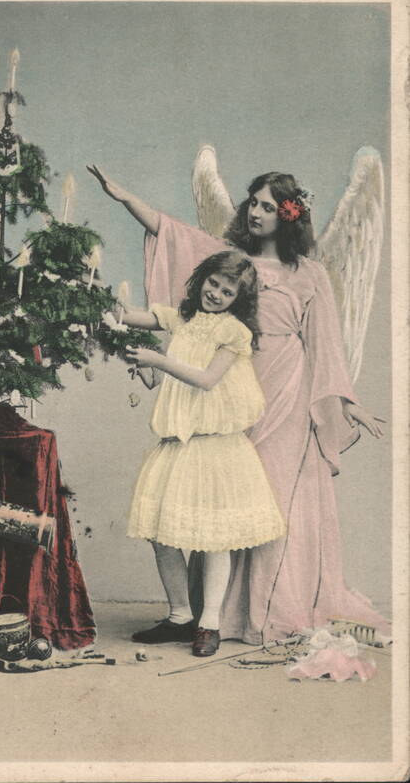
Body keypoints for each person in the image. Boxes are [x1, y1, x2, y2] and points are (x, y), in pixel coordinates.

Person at [88, 164, 390, 645]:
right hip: (228, 392)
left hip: (286, 390)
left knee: (268, 502)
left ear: (288, 217)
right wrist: (125, 197)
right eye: (254, 202)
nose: (256, 212)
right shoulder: (230, 261)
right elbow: (171, 234)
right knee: (222, 500)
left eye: (269, 207)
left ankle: (261, 611)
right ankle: (206, 615)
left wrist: (345, 403)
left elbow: (326, 342)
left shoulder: (310, 274)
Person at [117, 249, 285, 657]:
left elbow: (207, 380)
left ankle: (209, 622)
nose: (216, 293)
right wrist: (120, 321)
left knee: (215, 540)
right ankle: (179, 616)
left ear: (237, 300)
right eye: (213, 283)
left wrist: (157, 357)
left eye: (227, 291)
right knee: (161, 535)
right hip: (179, 444)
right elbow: (135, 322)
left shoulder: (234, 333)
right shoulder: (183, 318)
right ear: (202, 279)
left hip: (217, 448)